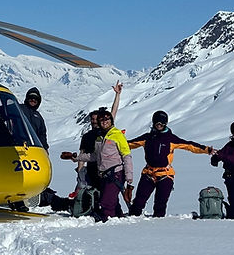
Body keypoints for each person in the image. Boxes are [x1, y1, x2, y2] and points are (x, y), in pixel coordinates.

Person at [127, 111, 213, 217]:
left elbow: (189, 145)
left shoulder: (170, 139)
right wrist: (115, 143)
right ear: (153, 122)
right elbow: (130, 144)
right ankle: (132, 220)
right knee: (138, 202)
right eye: (157, 122)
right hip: (148, 173)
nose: (159, 124)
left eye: (162, 122)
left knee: (160, 204)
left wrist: (207, 150)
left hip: (165, 174)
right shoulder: (147, 138)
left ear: (166, 123)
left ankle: (158, 223)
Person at [70, 83, 132, 222]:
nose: (97, 121)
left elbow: (126, 155)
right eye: (94, 119)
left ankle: (107, 220)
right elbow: (90, 155)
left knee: (106, 200)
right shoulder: (93, 136)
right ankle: (118, 218)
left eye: (100, 119)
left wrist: (117, 95)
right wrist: (77, 162)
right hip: (96, 171)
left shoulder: (112, 134)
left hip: (113, 172)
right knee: (107, 198)